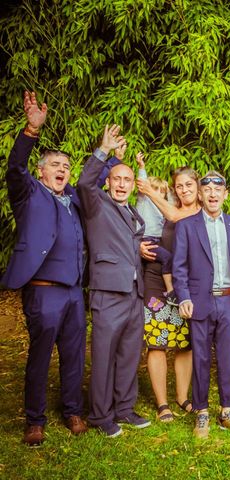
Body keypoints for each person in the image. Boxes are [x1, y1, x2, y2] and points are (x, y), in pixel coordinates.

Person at [2, 92, 91, 446]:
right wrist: (30, 130)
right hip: (42, 290)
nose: (62, 171)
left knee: (74, 354)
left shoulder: (74, 201)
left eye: (67, 167)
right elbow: (14, 167)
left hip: (73, 291)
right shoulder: (28, 193)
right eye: (55, 166)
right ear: (41, 171)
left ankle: (73, 411)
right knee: (40, 356)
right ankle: (35, 420)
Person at [77, 124, 149, 437]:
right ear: (108, 182)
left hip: (134, 293)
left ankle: (124, 409)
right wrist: (104, 150)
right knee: (104, 357)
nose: (121, 184)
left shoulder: (132, 210)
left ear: (134, 184)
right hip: (107, 293)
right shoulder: (97, 205)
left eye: (127, 180)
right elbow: (83, 183)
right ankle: (100, 415)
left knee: (128, 355)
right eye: (116, 179)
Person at [172, 171, 230, 438]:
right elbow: (179, 266)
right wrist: (183, 296)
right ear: (200, 194)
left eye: (217, 191)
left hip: (229, 300)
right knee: (201, 357)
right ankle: (201, 411)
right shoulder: (187, 226)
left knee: (227, 358)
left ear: (225, 195)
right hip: (199, 302)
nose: (212, 195)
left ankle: (227, 410)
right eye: (206, 190)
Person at [136, 165, 201, 422]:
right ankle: (162, 403)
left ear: (197, 188)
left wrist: (151, 192)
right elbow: (142, 228)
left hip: (188, 282)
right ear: (174, 189)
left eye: (189, 185)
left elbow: (177, 218)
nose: (184, 190)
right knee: (157, 340)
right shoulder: (164, 208)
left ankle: (182, 396)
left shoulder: (201, 211)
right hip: (156, 278)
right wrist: (138, 246)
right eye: (180, 186)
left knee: (186, 343)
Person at [135, 152, 177, 305]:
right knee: (167, 258)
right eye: (155, 189)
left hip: (156, 240)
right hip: (145, 239)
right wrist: (142, 166)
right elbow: (143, 183)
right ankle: (171, 291)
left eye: (162, 191)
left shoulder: (164, 208)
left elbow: (173, 202)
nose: (158, 193)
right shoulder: (144, 200)